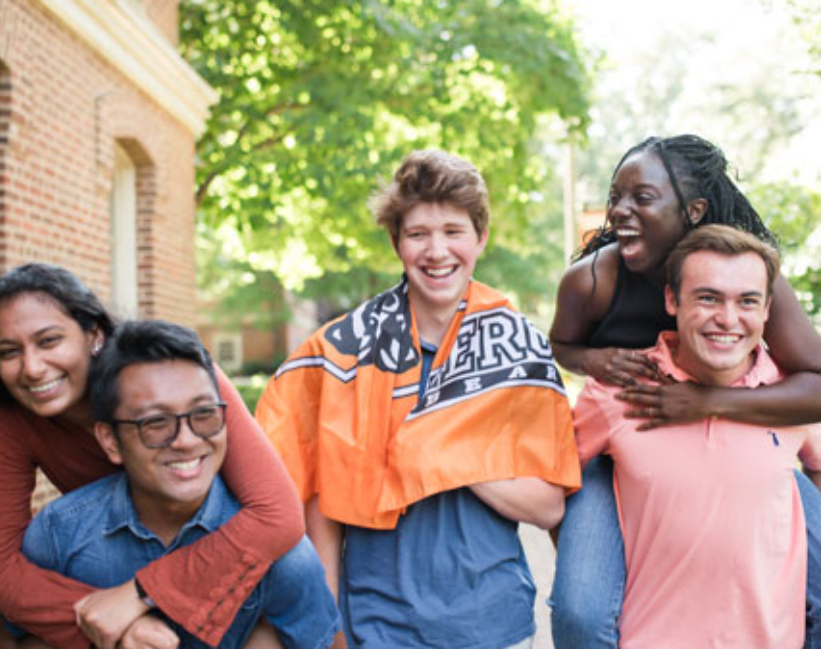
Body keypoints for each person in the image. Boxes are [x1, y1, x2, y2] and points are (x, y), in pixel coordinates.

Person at [256, 149, 581, 648]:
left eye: (453, 232)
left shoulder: (518, 348)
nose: (437, 251)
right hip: (377, 627)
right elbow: (320, 503)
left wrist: (440, 448)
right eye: (418, 234)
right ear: (396, 242)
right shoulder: (346, 355)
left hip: (493, 625)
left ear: (480, 238)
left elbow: (548, 505)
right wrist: (332, 629)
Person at [548, 134, 821, 647]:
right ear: (673, 298)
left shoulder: (745, 271)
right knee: (581, 611)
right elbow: (559, 345)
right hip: (621, 446)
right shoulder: (592, 280)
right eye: (615, 197)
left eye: (642, 198)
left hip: (730, 424)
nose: (619, 211)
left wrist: (708, 402)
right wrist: (591, 359)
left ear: (693, 210)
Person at [0, 264, 305, 649]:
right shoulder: (12, 416)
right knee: (5, 630)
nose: (32, 367)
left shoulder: (175, 372)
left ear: (93, 335)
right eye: (9, 351)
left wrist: (141, 593)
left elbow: (279, 515)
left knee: (278, 605)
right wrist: (117, 625)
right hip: (122, 546)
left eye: (49, 341)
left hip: (213, 546)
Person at [11, 319, 341, 649]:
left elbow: (325, 641)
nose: (186, 440)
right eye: (155, 422)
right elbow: (11, 633)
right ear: (110, 440)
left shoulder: (278, 553)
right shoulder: (59, 534)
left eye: (204, 415)